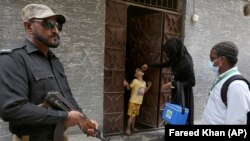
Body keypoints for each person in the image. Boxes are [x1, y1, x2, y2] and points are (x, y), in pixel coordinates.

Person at [0, 3, 98, 141]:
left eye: (58, 25)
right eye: (48, 24)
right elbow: (11, 109)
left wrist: (83, 121)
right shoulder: (13, 59)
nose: (55, 30)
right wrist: (65, 117)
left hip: (60, 136)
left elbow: (67, 96)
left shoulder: (55, 61)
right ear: (29, 27)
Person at [142, 37, 195, 124]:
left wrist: (174, 83)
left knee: (181, 115)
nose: (167, 55)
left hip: (184, 93)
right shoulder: (177, 59)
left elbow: (192, 82)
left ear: (174, 51)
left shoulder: (187, 62)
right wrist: (149, 65)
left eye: (169, 53)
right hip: (177, 89)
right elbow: (165, 64)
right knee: (174, 113)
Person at [202, 41, 250, 124]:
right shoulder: (223, 79)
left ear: (222, 59)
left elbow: (237, 122)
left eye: (212, 59)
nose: (210, 62)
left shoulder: (236, 85)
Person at [123, 68, 152, 136]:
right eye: (138, 70)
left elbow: (143, 92)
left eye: (140, 70)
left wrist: (149, 86)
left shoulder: (144, 83)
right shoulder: (135, 81)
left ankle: (132, 127)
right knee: (131, 115)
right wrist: (127, 84)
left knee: (134, 115)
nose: (140, 70)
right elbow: (129, 88)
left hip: (139, 102)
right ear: (136, 75)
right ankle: (127, 129)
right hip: (133, 101)